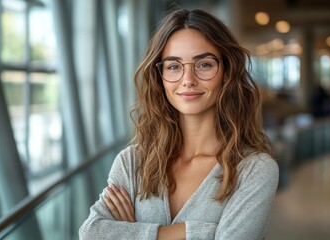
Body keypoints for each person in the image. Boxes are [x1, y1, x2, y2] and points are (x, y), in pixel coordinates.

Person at [79, 8, 279, 240]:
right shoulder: (132, 162)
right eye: (174, 66)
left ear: (226, 71)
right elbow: (91, 232)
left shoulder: (255, 170)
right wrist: (192, 233)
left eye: (204, 64)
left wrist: (130, 232)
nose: (188, 80)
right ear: (160, 76)